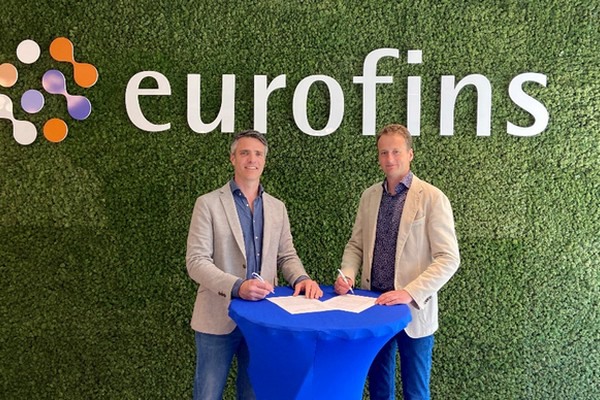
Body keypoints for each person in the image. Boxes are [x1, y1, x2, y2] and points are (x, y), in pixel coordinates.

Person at [186, 129, 323, 400]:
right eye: (245, 153)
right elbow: (196, 261)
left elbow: (287, 255)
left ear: (264, 160)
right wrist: (237, 286)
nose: (252, 159)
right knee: (207, 395)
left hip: (262, 319)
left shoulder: (277, 207)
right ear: (233, 158)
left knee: (253, 394)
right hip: (217, 317)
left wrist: (302, 279)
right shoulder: (208, 204)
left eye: (258, 154)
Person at [334, 124, 460, 400]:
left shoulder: (432, 197)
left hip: (413, 309)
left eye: (396, 151)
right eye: (383, 152)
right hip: (375, 307)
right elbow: (356, 245)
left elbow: (449, 258)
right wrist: (348, 273)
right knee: (379, 390)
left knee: (416, 392)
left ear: (410, 154)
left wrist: (409, 293)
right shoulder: (369, 196)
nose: (389, 158)